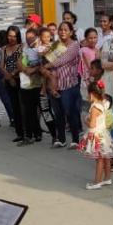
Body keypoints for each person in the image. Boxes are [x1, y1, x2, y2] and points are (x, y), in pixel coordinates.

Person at [42, 21, 84, 149]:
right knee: (58, 113)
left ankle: (76, 140)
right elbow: (47, 58)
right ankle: (61, 139)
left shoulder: (75, 45)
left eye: (66, 30)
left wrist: (47, 65)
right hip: (55, 84)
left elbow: (62, 60)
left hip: (69, 84)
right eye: (61, 30)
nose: (62, 32)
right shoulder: (55, 45)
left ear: (71, 32)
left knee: (70, 112)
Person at [80, 79, 113, 190]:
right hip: (104, 134)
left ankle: (97, 181)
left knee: (99, 159)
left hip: (96, 135)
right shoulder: (104, 103)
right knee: (106, 158)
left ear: (91, 94)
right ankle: (107, 178)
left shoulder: (95, 107)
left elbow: (92, 124)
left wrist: (85, 120)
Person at [17, 27, 45, 146]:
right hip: (25, 85)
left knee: (44, 111)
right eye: (27, 38)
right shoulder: (24, 49)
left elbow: (42, 65)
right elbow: (18, 63)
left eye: (32, 37)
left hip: (38, 85)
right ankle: (29, 135)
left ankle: (53, 135)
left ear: (37, 37)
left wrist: (32, 70)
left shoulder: (40, 50)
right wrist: (26, 69)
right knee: (28, 112)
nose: (29, 40)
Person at [1, 26, 26, 142]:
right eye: (10, 36)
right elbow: (2, 66)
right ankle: (19, 133)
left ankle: (28, 131)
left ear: (18, 37)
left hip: (20, 79)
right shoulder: (3, 49)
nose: (12, 38)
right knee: (14, 107)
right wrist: (8, 77)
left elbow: (22, 63)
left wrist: (13, 75)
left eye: (14, 36)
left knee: (23, 106)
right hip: (8, 81)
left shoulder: (22, 47)